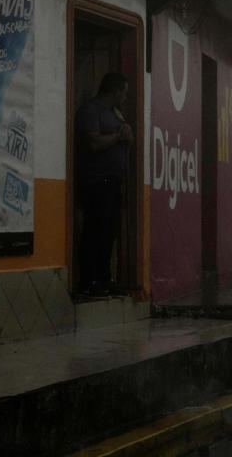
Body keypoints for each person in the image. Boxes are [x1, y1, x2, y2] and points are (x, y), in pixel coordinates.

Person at [75, 73, 133, 296]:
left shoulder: (115, 114)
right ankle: (89, 280)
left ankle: (104, 278)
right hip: (97, 181)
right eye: (124, 93)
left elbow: (127, 135)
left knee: (109, 232)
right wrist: (117, 137)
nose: (125, 97)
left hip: (114, 181)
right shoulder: (91, 111)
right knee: (94, 230)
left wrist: (126, 135)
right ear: (115, 91)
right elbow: (93, 142)